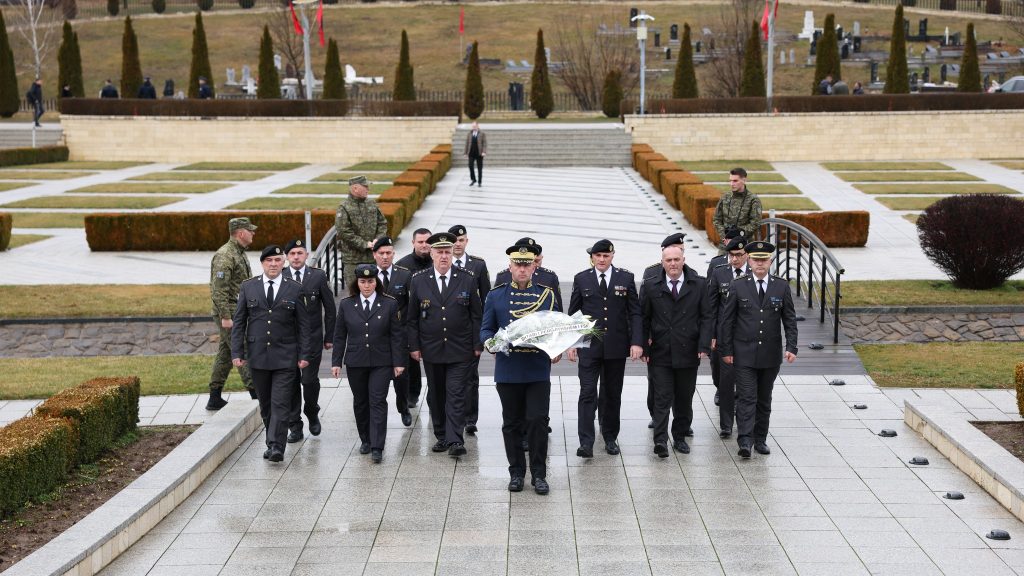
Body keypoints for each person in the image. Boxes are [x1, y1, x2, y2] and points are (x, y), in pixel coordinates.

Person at [481, 242, 560, 495]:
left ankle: (539, 474)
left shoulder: (547, 295)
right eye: (518, 264)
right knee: (512, 423)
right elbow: (486, 329)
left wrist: (557, 348)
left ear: (534, 266)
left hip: (537, 369)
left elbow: (557, 327)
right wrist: (490, 343)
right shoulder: (496, 295)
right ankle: (516, 473)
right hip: (509, 369)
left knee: (537, 421)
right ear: (510, 266)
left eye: (527, 264)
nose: (522, 269)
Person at [231, 245, 313, 462]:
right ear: (262, 263)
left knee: (280, 403)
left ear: (283, 262)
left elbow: (304, 325)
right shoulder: (248, 287)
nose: (274, 264)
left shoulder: (295, 288)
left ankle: (277, 446)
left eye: (277, 260)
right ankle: (271, 441)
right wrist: (237, 351)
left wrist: (304, 354)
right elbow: (239, 322)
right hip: (258, 356)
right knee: (266, 404)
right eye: (269, 261)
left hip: (285, 356)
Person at [406, 231, 483, 457]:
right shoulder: (419, 280)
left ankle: (455, 440)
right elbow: (412, 318)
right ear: (431, 254)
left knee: (456, 393)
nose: (443, 256)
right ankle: (441, 435)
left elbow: (476, 315)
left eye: (447, 252)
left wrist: (477, 344)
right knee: (437, 395)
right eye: (439, 252)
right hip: (432, 348)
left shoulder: (467, 278)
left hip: (460, 348)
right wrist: (414, 346)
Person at [719, 241, 798, 459]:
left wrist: (792, 346)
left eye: (764, 260)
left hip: (770, 354)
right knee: (746, 397)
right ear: (749, 261)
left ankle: (760, 438)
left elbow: (789, 319)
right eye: (756, 260)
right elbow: (727, 321)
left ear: (770, 262)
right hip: (743, 353)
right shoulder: (738, 285)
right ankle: (745, 440)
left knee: (764, 398)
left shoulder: (781, 286)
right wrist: (726, 350)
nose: (760, 264)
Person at [567, 239, 642, 458]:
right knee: (587, 392)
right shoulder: (582, 278)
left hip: (616, 347)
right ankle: (586, 442)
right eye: (598, 256)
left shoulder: (625, 278)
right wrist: (572, 343)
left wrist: (636, 342)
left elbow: (634, 312)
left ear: (612, 256)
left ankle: (610, 437)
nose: (601, 259)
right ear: (592, 257)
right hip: (589, 346)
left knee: (612, 394)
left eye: (605, 256)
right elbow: (574, 314)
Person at [641, 242, 712, 457]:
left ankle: (679, 437)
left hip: (688, 349)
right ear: (662, 262)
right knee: (662, 397)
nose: (673, 264)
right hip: (660, 350)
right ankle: (660, 440)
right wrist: (644, 346)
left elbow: (707, 317)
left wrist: (704, 345)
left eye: (676, 259)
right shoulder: (651, 285)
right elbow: (643, 318)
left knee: (684, 398)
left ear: (684, 260)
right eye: (668, 260)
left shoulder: (699, 284)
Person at [331, 264, 406, 463]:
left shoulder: (389, 303)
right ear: (357, 283)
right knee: (361, 401)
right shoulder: (347, 304)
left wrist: (398, 362)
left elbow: (396, 335)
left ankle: (377, 446)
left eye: (370, 281)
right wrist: (336, 361)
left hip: (382, 361)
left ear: (376, 282)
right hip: (356, 361)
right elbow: (339, 335)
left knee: (378, 400)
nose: (366, 285)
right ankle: (365, 439)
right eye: (363, 281)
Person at [284, 239, 336, 443]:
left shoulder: (317, 276)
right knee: (290, 383)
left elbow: (330, 308)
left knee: (308, 380)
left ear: (306, 255)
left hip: (312, 339)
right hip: (287, 340)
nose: (296, 257)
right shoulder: (281, 276)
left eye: (300, 253)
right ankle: (295, 426)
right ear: (286, 257)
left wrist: (329, 336)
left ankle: (312, 411)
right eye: (292, 254)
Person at [207, 217, 257, 410]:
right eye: (250, 230)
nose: (253, 233)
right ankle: (257, 396)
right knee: (242, 350)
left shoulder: (239, 252)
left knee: (226, 353)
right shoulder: (225, 256)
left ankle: (214, 397)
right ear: (241, 233)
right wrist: (226, 317)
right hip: (230, 313)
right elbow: (219, 290)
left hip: (238, 311)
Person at [706, 235, 751, 438]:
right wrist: (712, 334)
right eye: (732, 255)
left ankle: (742, 421)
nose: (735, 259)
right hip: (724, 336)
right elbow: (711, 307)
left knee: (745, 381)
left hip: (747, 336)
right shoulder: (719, 273)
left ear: (746, 255)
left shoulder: (753, 273)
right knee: (724, 382)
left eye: (739, 255)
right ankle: (726, 425)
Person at [449, 224, 491, 435]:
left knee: (470, 377)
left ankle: (470, 418)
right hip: (447, 331)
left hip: (470, 331)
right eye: (454, 241)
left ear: (467, 241)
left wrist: (482, 334)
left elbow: (487, 299)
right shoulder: (441, 262)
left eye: (461, 240)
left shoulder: (478, 265)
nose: (458, 244)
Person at [371, 236, 414, 426]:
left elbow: (411, 307)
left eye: (388, 253)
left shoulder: (404, 275)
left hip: (399, 336)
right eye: (381, 253)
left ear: (393, 254)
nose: (385, 256)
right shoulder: (368, 276)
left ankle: (403, 408)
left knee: (401, 378)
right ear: (374, 255)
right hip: (375, 337)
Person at [394, 228, 432, 406]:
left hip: (433, 320)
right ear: (413, 243)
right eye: (420, 242)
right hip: (410, 321)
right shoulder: (402, 266)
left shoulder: (439, 261)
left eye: (427, 242)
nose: (424, 245)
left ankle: (434, 396)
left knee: (435, 363)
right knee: (412, 361)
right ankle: (412, 394)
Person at [336, 175, 388, 286]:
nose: (368, 189)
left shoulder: (372, 204)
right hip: (353, 261)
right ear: (355, 188)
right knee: (354, 292)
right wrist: (364, 244)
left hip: (373, 258)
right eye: (365, 186)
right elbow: (344, 232)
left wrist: (378, 240)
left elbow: (382, 223)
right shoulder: (344, 207)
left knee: (374, 290)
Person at [495, 237, 562, 310]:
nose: (535, 265)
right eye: (519, 264)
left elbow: (557, 311)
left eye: (537, 261)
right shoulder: (503, 277)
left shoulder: (549, 277)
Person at [712, 168, 763, 253]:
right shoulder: (725, 197)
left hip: (744, 247)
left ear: (744, 180)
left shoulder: (753, 200)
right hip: (725, 245)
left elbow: (755, 223)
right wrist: (725, 237)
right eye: (730, 181)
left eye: (735, 181)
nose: (732, 184)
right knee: (719, 262)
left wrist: (736, 235)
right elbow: (716, 220)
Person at [464, 121, 487, 186]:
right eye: (473, 126)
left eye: (475, 126)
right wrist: (465, 153)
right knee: (470, 166)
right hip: (471, 153)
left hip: (479, 153)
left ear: (477, 126)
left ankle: (479, 182)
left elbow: (484, 143)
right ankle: (473, 179)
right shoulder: (469, 133)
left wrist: (484, 152)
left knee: (480, 168)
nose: (473, 127)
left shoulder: (482, 133)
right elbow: (467, 143)